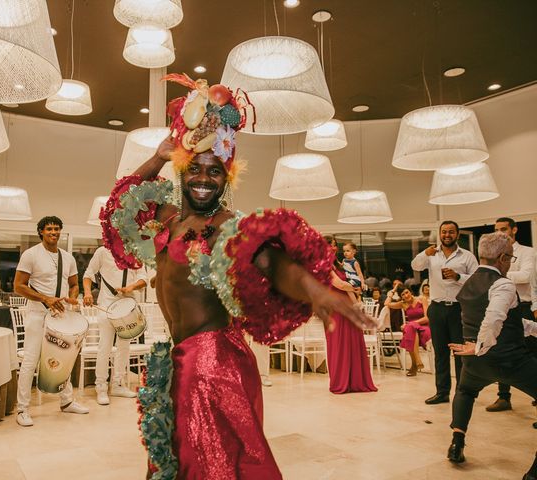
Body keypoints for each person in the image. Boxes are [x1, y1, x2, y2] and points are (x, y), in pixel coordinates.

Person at [101, 74, 374, 479]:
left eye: (215, 173)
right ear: (182, 169)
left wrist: (315, 290)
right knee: (182, 458)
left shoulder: (230, 225)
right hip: (183, 357)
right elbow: (120, 203)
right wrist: (158, 156)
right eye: (195, 169)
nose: (204, 180)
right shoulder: (169, 217)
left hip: (214, 361)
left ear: (226, 178)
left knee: (210, 466)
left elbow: (272, 263)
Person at [446, 232, 537, 480]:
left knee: (464, 391)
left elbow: (511, 321)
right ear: (503, 258)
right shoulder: (503, 284)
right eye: (511, 257)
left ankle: (456, 443)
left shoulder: (469, 281)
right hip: (509, 361)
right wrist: (479, 346)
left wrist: (476, 350)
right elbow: (493, 318)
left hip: (476, 364)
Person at [13, 216, 89, 427]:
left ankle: (66, 402)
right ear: (41, 232)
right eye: (49, 229)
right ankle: (22, 409)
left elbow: (74, 284)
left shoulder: (68, 258)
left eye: (57, 229)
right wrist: (45, 298)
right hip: (37, 315)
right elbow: (18, 286)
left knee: (63, 359)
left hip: (60, 315)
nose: (53, 232)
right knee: (30, 361)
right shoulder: (31, 254)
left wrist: (73, 296)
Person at [411, 221, 478, 405]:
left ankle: (462, 392)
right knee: (440, 353)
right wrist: (426, 253)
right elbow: (416, 266)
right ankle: (442, 393)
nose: (447, 235)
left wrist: (458, 277)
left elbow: (477, 280)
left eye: (451, 232)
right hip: (437, 308)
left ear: (457, 234)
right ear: (439, 234)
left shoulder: (467, 256)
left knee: (459, 352)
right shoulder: (432, 254)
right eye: (444, 232)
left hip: (459, 308)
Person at [82, 246, 147, 404]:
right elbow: (88, 273)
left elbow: (143, 278)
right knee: (104, 346)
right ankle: (101, 387)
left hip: (127, 307)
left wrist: (130, 287)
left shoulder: (136, 251)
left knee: (124, 347)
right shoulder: (103, 252)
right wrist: (88, 292)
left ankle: (118, 384)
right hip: (106, 306)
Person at [486, 217, 536, 412]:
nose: (500, 233)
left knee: (532, 352)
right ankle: (503, 397)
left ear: (514, 230)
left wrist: (499, 275)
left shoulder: (527, 252)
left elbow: (526, 276)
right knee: (502, 351)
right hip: (503, 308)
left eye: (504, 229)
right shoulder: (494, 254)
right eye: (497, 230)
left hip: (525, 306)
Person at [324, 235, 377, 394]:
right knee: (340, 344)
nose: (335, 248)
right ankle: (341, 381)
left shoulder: (339, 265)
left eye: (335, 245)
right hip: (336, 309)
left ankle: (355, 381)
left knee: (353, 342)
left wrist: (356, 288)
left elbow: (352, 279)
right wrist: (354, 288)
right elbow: (338, 284)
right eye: (331, 245)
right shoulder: (324, 265)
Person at [385, 286, 430, 376]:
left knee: (409, 329)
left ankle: (414, 364)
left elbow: (427, 318)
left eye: (406, 292)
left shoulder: (422, 299)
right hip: (412, 330)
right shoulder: (403, 304)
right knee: (410, 329)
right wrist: (393, 291)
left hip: (424, 328)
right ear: (401, 297)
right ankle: (417, 361)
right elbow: (387, 303)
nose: (405, 295)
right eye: (403, 294)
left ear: (410, 292)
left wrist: (410, 324)